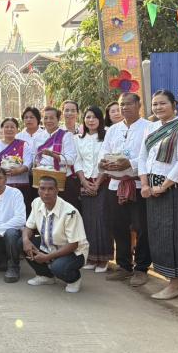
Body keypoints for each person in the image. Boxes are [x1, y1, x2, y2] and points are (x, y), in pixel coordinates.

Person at [138, 89, 178, 300]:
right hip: (153, 189)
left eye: (163, 103)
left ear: (174, 105)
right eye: (155, 104)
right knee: (160, 235)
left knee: (177, 235)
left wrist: (164, 186)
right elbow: (142, 157)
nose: (158, 107)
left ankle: (176, 284)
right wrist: (145, 184)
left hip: (176, 190)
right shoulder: (151, 128)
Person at [98, 92, 152, 286]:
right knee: (118, 226)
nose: (124, 108)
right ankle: (123, 265)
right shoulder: (113, 129)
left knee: (141, 227)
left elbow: (150, 156)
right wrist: (104, 163)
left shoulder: (149, 127)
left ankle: (141, 268)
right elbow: (104, 151)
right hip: (115, 184)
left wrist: (130, 163)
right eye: (122, 104)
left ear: (138, 105)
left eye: (129, 104)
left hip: (138, 184)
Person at [22, 176, 88, 293]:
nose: (46, 193)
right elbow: (29, 226)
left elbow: (73, 244)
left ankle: (74, 279)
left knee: (58, 267)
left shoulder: (69, 212)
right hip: (48, 246)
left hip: (74, 252)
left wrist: (47, 257)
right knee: (21, 242)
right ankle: (46, 276)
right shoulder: (36, 203)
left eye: (50, 189)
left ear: (57, 191)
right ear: (38, 190)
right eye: (42, 188)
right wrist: (25, 241)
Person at [75, 106, 111, 273]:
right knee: (88, 221)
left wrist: (98, 182)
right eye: (88, 117)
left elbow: (107, 159)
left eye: (94, 117)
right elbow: (77, 161)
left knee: (102, 220)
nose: (91, 120)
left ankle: (103, 259)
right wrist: (83, 181)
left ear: (100, 119)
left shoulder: (107, 136)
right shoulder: (78, 138)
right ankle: (91, 257)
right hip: (86, 182)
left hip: (103, 182)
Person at [36, 107, 79, 209]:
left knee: (65, 211)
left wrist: (53, 155)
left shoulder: (66, 135)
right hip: (44, 180)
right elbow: (36, 158)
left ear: (58, 119)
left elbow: (71, 159)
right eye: (45, 118)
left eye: (52, 118)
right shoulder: (38, 137)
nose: (48, 121)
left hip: (63, 180)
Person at [0, 118, 34, 213]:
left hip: (21, 183)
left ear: (17, 130)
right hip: (0, 184)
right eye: (6, 127)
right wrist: (0, 171)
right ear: (2, 129)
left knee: (20, 210)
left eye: (12, 127)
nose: (9, 129)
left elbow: (28, 162)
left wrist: (19, 170)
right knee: (2, 210)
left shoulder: (23, 145)